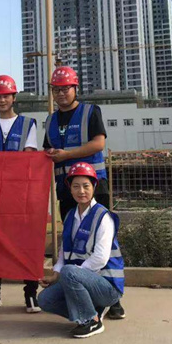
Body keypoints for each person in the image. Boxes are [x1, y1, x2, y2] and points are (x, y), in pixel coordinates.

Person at [43, 65, 125, 320]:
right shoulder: (51, 120)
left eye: (65, 88)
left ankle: (113, 298)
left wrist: (67, 154)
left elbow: (98, 143)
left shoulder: (90, 112)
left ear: (75, 88)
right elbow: (47, 152)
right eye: (56, 89)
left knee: (102, 239)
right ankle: (80, 292)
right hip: (66, 188)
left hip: (94, 186)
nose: (61, 93)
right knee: (73, 238)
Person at [0, 74, 40, 314]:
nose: (2, 100)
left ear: (14, 97)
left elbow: (29, 157)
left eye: (6, 96)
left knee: (26, 242)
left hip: (20, 193)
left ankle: (31, 294)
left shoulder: (28, 124)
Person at [38, 162, 124, 339]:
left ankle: (91, 321)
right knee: (45, 300)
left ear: (94, 187)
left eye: (86, 186)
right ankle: (91, 311)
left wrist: (72, 274)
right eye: (76, 186)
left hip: (107, 287)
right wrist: (56, 274)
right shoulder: (70, 215)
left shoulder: (103, 217)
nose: (81, 191)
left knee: (69, 272)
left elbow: (101, 258)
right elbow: (64, 252)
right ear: (70, 189)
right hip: (82, 280)